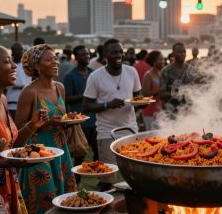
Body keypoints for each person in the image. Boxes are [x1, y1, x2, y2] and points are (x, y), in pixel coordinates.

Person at [0, 42, 49, 214]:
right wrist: (9, 162)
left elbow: (9, 147)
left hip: (8, 186)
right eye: (6, 61)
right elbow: (6, 157)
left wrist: (31, 126)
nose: (14, 66)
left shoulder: (2, 100)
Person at [17, 44, 77, 213]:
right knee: (45, 199)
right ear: (36, 66)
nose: (55, 62)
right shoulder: (29, 92)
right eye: (49, 60)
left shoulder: (60, 88)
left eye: (55, 59)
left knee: (66, 199)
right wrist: (49, 123)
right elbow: (18, 128)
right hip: (38, 152)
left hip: (61, 149)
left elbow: (62, 117)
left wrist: (67, 123)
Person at [83, 39, 141, 191]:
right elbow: (86, 106)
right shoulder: (95, 76)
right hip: (106, 132)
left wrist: (142, 103)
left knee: (137, 176)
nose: (119, 55)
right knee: (108, 178)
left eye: (121, 51)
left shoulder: (132, 72)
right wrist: (107, 104)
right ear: (105, 55)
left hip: (130, 130)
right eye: (114, 52)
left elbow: (139, 97)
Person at [63, 45, 98, 183]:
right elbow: (67, 98)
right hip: (80, 120)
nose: (87, 57)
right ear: (76, 58)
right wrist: (85, 96)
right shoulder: (70, 76)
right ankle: (75, 182)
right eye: (83, 55)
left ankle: (99, 177)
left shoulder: (92, 73)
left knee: (98, 151)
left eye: (88, 54)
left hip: (95, 119)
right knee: (80, 154)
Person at [160, 43, 198, 115]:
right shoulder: (166, 71)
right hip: (170, 112)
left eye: (184, 52)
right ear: (173, 54)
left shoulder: (191, 70)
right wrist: (176, 93)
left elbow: (196, 89)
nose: (183, 54)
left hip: (188, 112)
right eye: (179, 52)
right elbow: (161, 94)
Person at [6, 42, 31, 119]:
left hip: (26, 103)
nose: (20, 52)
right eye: (17, 50)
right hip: (11, 104)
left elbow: (30, 84)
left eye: (21, 50)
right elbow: (6, 85)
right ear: (12, 53)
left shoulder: (27, 66)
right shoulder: (8, 66)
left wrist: (18, 86)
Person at [141, 51, 164, 130]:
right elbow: (145, 93)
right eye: (160, 60)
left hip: (159, 112)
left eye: (163, 59)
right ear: (154, 62)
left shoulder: (161, 74)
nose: (163, 62)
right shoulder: (148, 75)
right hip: (149, 112)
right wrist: (160, 92)